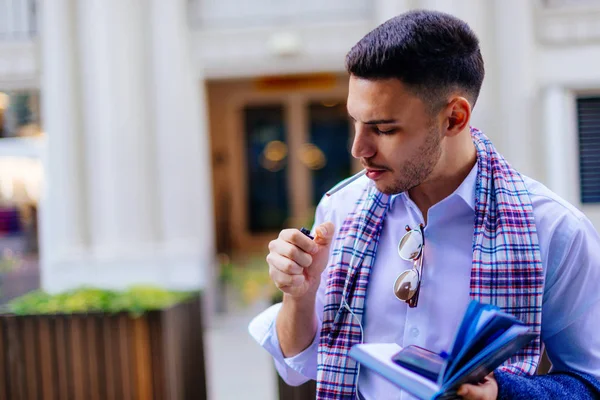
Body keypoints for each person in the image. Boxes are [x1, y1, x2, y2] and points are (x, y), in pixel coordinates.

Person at [249, 10, 600, 400]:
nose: (358, 148)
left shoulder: (553, 229)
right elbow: (301, 364)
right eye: (355, 122)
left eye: (383, 129)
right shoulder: (341, 208)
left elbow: (591, 383)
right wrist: (300, 293)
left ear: (454, 117)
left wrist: (503, 393)